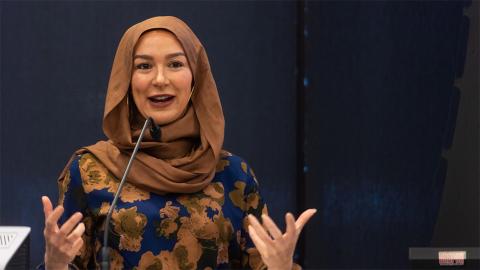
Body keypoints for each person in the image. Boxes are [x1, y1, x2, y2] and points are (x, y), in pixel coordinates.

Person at [40, 16, 316, 270]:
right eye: (144, 66)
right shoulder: (89, 170)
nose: (160, 79)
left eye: (175, 64)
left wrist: (281, 266)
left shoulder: (233, 174)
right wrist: (54, 264)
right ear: (126, 79)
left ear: (195, 78)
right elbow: (69, 262)